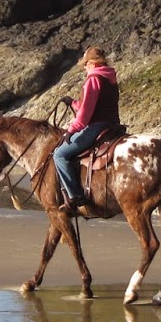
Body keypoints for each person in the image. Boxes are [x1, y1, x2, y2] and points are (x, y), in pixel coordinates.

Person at [54, 46, 121, 214]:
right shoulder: (110, 78)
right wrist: (72, 103)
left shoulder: (94, 79)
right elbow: (90, 105)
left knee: (60, 154)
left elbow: (85, 113)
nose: (84, 68)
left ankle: (75, 196)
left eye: (85, 64)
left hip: (96, 126)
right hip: (112, 125)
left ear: (92, 63)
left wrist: (71, 130)